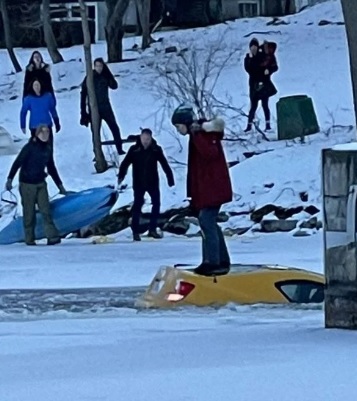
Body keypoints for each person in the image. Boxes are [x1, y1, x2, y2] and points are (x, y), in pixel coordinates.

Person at [171, 104, 232, 276]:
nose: (178, 130)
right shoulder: (198, 135)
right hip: (209, 188)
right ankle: (220, 260)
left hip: (213, 188)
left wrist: (197, 135)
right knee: (208, 221)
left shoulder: (201, 135)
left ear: (185, 123)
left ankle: (213, 262)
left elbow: (210, 154)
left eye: (178, 126)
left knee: (206, 221)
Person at [5, 125, 67, 246]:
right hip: (27, 184)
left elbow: (51, 168)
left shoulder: (47, 149)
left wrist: (60, 186)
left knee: (46, 210)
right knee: (29, 213)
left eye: (47, 132)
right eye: (42, 132)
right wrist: (9, 179)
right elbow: (17, 163)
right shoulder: (29, 148)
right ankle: (29, 238)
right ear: (37, 134)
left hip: (40, 183)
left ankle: (52, 237)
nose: (45, 134)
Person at [117, 128, 175, 241]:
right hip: (138, 182)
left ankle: (152, 229)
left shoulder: (156, 149)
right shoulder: (134, 149)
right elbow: (125, 163)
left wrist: (170, 178)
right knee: (137, 206)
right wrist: (121, 176)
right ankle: (135, 231)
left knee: (156, 204)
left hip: (152, 182)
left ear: (151, 138)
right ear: (140, 137)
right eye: (144, 138)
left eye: (148, 139)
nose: (145, 141)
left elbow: (164, 163)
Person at [80, 58, 125, 156]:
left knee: (114, 128)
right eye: (97, 66)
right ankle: (97, 153)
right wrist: (83, 112)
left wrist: (108, 74)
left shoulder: (105, 75)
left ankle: (120, 149)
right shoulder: (90, 77)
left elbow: (114, 86)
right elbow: (83, 94)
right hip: (94, 109)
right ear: (94, 66)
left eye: (101, 66)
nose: (99, 68)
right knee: (95, 132)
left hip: (106, 107)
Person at [244, 38, 278, 133]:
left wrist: (268, 71)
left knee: (265, 105)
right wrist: (251, 60)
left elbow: (271, 65)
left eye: (255, 47)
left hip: (263, 83)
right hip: (253, 85)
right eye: (252, 47)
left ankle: (268, 125)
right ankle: (249, 126)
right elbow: (249, 69)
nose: (253, 49)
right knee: (253, 106)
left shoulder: (262, 56)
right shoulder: (248, 58)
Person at [20, 79, 61, 143]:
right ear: (32, 87)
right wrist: (23, 125)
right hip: (34, 127)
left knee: (48, 147)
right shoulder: (28, 99)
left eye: (38, 85)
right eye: (35, 85)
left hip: (47, 125)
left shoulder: (48, 96)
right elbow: (23, 112)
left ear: (41, 85)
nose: (37, 87)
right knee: (37, 148)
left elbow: (53, 110)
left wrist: (57, 122)